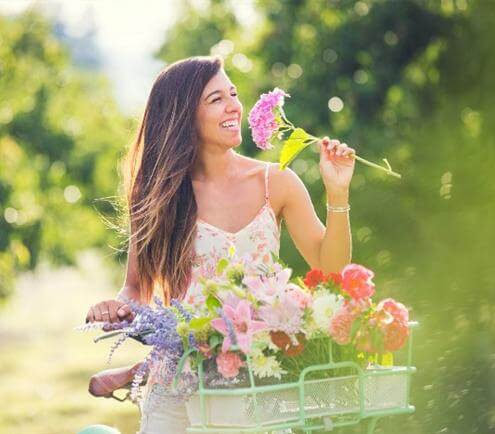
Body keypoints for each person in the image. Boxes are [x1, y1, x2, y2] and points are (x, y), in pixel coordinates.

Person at [85, 55, 355, 434]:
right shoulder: (159, 196)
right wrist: (117, 308)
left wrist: (337, 192)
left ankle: (134, 373)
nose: (234, 106)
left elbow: (330, 270)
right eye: (216, 99)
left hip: (258, 386)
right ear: (184, 116)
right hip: (180, 387)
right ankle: (141, 372)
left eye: (233, 93)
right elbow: (136, 287)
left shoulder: (275, 182)